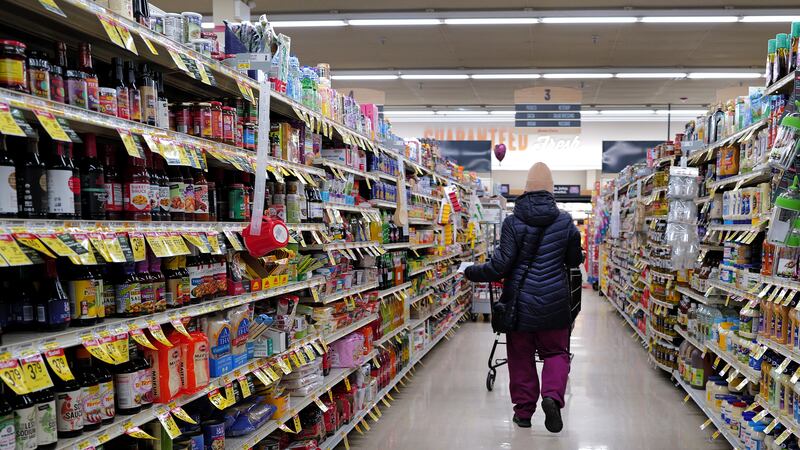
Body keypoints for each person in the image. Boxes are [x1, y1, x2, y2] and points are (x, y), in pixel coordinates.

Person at [465, 162, 583, 432]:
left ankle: (524, 412)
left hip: (519, 304)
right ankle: (552, 397)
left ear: (525, 190)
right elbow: (575, 260)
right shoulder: (565, 221)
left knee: (521, 357)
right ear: (552, 192)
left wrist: (471, 272)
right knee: (556, 353)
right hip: (555, 304)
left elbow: (500, 266)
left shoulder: (512, 222)